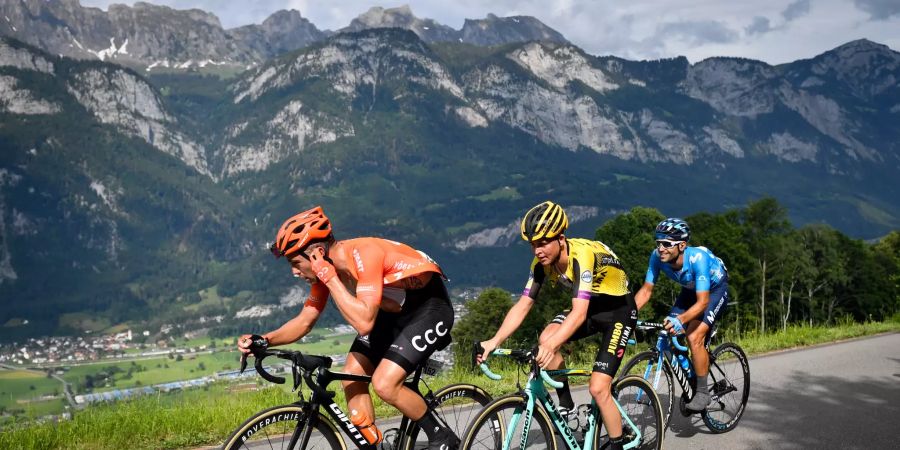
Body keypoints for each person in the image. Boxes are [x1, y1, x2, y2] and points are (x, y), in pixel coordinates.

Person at [238, 206, 459, 450]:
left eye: (295, 263)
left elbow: (364, 323)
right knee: (352, 377)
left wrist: (330, 278)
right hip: (390, 313)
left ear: (317, 254)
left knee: (385, 384)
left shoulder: (365, 254)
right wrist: (265, 340)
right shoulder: (325, 271)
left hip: (428, 308)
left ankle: (443, 438)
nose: (294, 272)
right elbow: (305, 321)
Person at [476, 201, 636, 450]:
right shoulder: (540, 265)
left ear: (561, 238)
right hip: (590, 307)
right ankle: (568, 407)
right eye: (532, 244)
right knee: (546, 337)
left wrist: (552, 346)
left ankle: (619, 441)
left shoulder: (581, 256)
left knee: (598, 387)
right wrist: (493, 341)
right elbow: (523, 305)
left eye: (542, 243)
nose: (537, 250)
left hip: (619, 310)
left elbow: (579, 312)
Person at [634, 218, 729, 411]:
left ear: (682, 245)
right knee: (668, 330)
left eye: (667, 244)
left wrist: (681, 319)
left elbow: (703, 302)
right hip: (690, 290)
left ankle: (702, 392)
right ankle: (692, 375)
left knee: (694, 336)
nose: (661, 248)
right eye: (658, 243)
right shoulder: (656, 257)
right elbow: (645, 291)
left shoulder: (698, 259)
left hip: (713, 290)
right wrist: (627, 316)